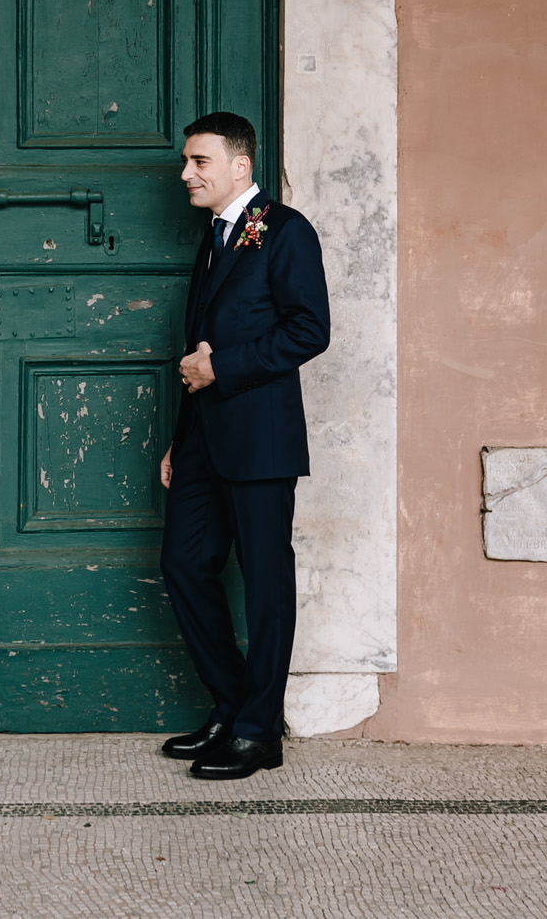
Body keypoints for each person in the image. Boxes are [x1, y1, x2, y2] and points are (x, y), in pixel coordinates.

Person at [156, 112, 331, 781]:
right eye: (186, 161)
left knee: (264, 584)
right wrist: (178, 440)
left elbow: (309, 329)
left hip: (260, 439)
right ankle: (233, 705)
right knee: (183, 563)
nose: (186, 174)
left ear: (240, 164)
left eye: (198, 161)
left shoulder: (285, 231)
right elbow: (194, 350)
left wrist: (222, 367)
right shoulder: (214, 239)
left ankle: (260, 732)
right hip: (202, 439)